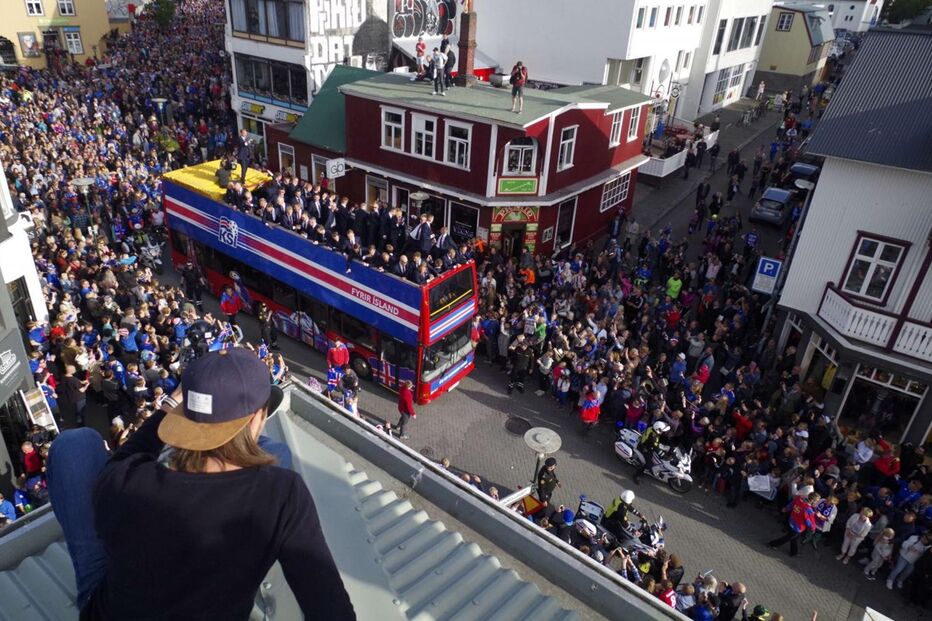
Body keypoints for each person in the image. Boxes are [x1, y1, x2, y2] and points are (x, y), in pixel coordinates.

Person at [46, 348, 356, 620]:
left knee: (74, 444)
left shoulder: (126, 481)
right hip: (219, 604)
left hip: (114, 606)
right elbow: (330, 608)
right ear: (256, 420)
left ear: (184, 419)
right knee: (276, 452)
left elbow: (129, 454)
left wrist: (172, 405)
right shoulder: (282, 493)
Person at [768, 492, 820, 557]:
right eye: (817, 501)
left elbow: (791, 504)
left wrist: (786, 509)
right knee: (787, 538)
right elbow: (808, 521)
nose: (817, 503)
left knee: (794, 538)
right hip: (798, 527)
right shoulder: (809, 510)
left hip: (791, 521)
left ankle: (793, 552)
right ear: (813, 500)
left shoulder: (799, 499)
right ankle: (773, 544)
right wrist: (813, 529)